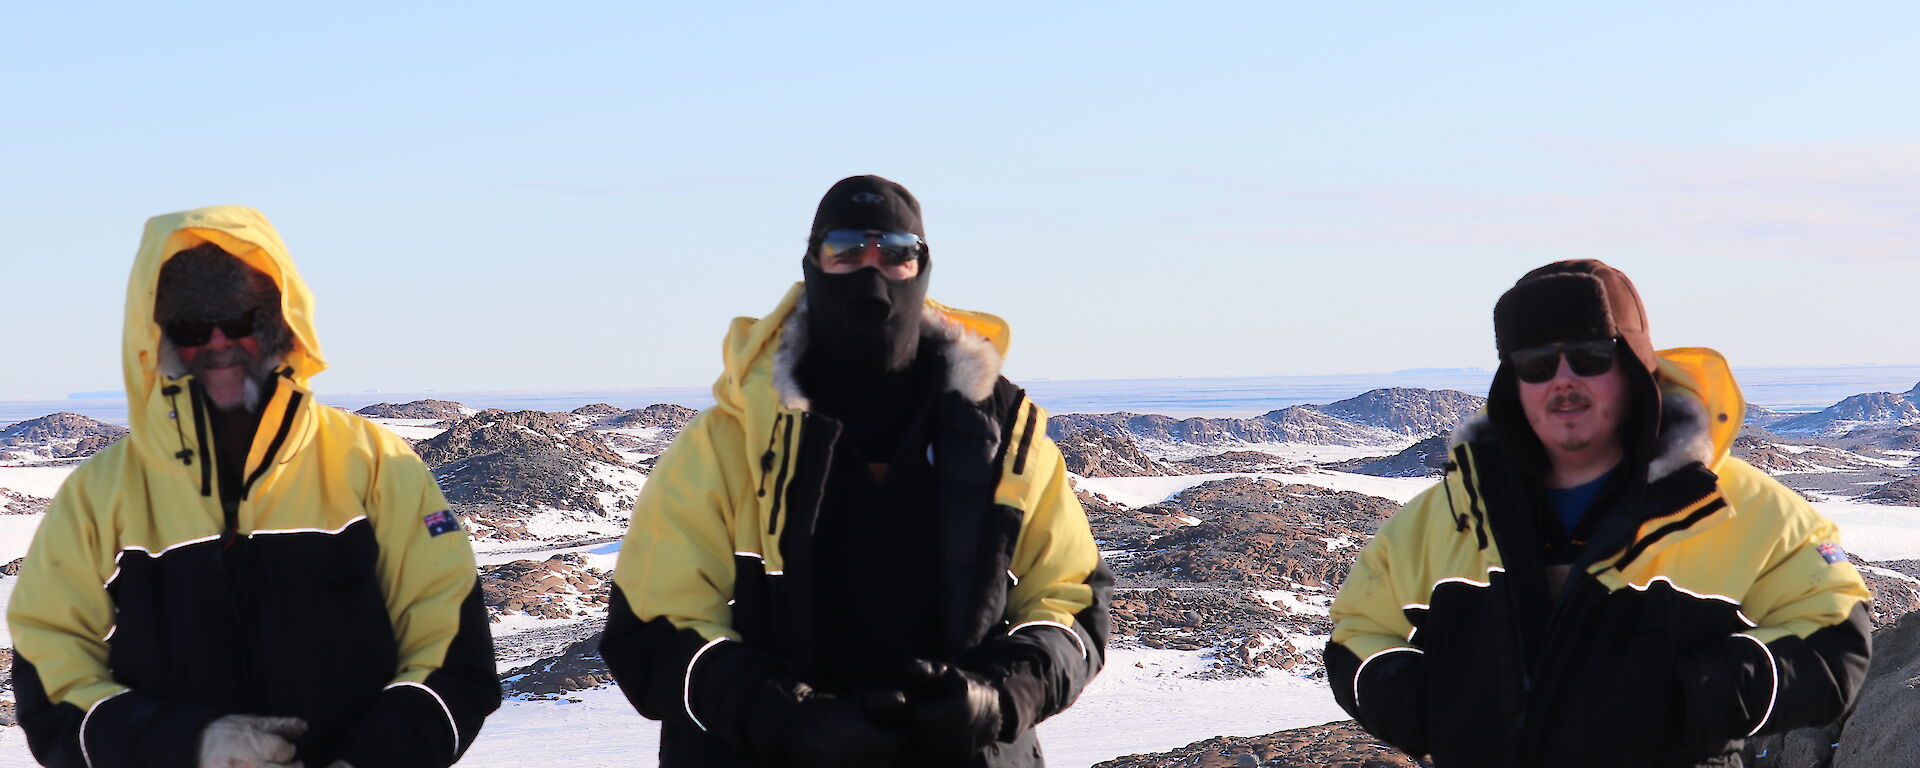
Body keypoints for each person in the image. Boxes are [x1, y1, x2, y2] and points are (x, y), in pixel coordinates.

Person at [601, 175, 1111, 767]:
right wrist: (784, 720)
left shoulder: (1004, 441)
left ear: (922, 269)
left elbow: (1071, 604)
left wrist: (999, 697)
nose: (872, 271)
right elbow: (654, 628)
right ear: (812, 266)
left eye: (896, 253)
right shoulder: (725, 447)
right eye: (845, 251)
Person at [1325, 260, 1872, 767]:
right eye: (1537, 364)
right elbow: (1358, 632)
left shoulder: (1738, 508)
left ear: (1636, 366)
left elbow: (1835, 637)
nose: (1563, 381)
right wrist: (1434, 715)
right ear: (1513, 383)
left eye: (1590, 357)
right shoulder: (1447, 514)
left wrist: (1689, 700)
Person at [8, 206, 499, 768]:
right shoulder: (102, 492)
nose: (219, 342)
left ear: (279, 324)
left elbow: (452, 651)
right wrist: (186, 746)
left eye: (241, 318)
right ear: (159, 337)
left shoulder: (376, 465)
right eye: (192, 326)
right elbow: (49, 657)